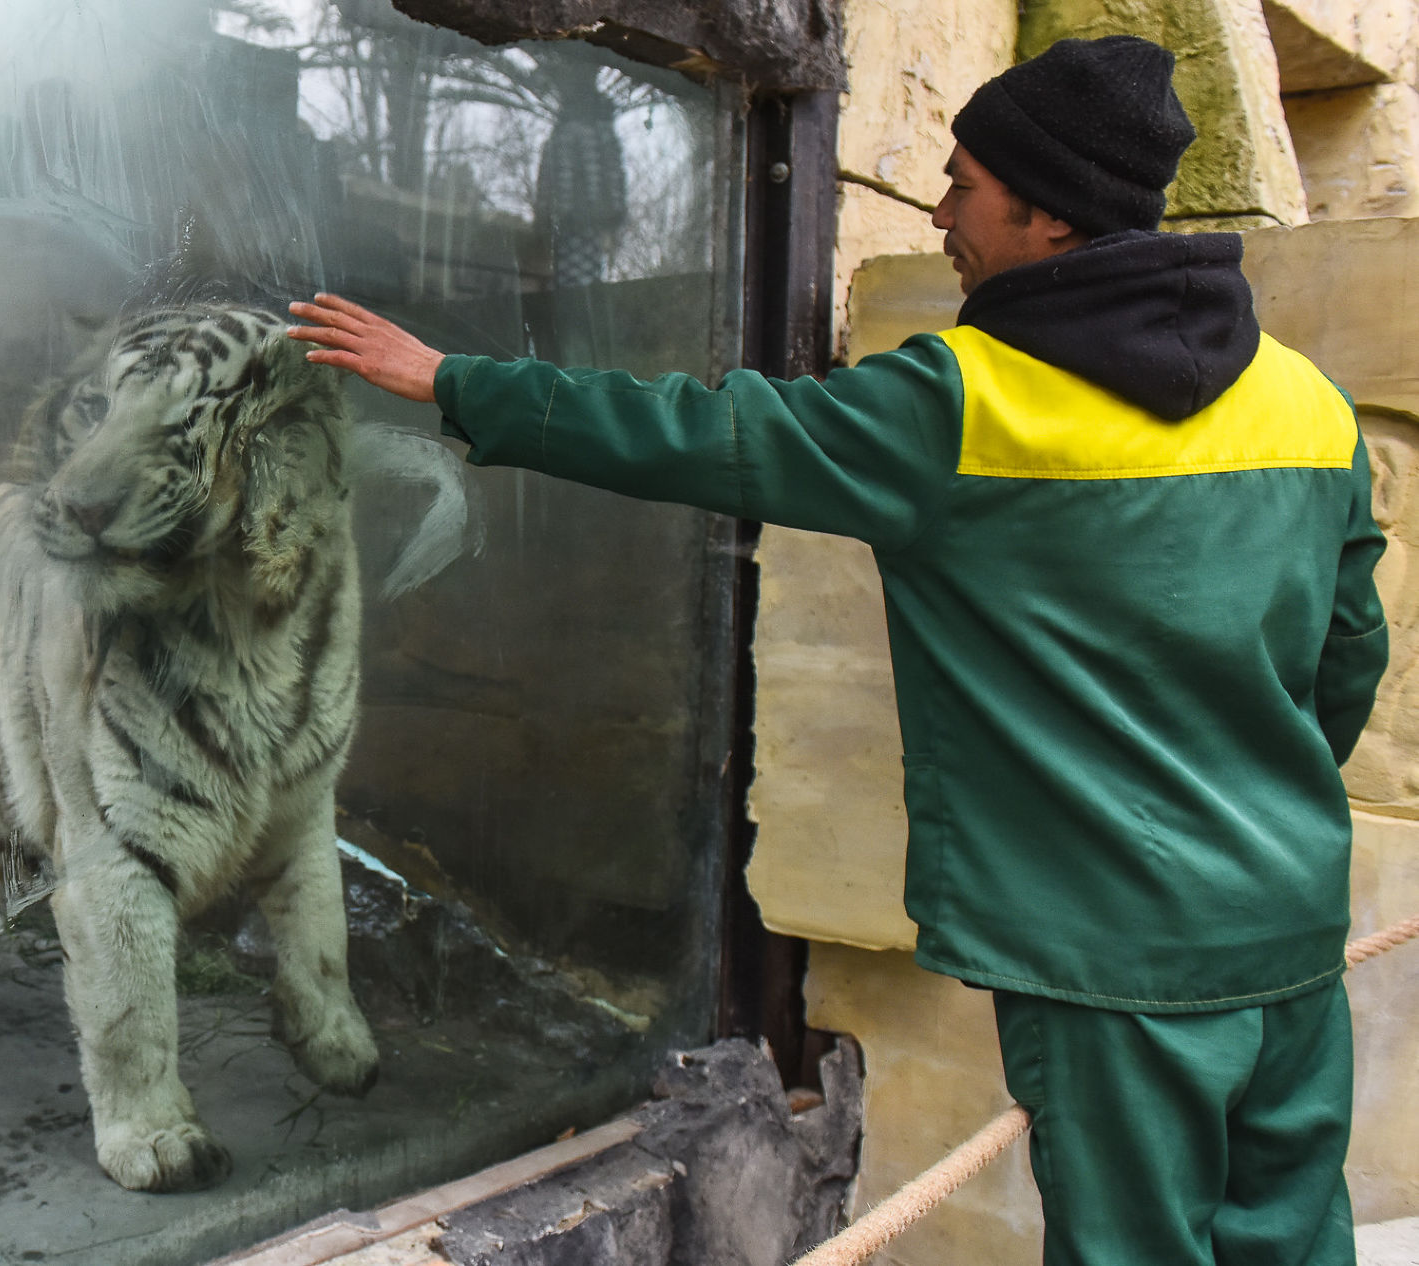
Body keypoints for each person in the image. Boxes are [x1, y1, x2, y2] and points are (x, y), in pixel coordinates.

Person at [289, 32, 1387, 1266]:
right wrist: (1254, 815)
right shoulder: (1305, 399)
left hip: (1113, 964)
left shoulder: (962, 403)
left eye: (964, 183)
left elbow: (701, 434)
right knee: (1295, 1240)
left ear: (1049, 218)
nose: (939, 207)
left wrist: (452, 379)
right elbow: (1346, 656)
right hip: (1283, 932)